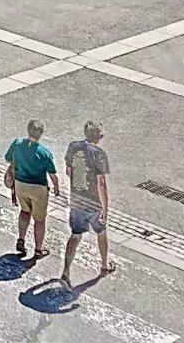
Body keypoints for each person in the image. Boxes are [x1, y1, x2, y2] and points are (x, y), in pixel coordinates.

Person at [62, 122, 113, 286]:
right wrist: (105, 209)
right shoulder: (99, 154)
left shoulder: (73, 147)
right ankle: (104, 265)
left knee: (75, 236)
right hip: (94, 203)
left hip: (77, 201)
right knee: (101, 233)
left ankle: (66, 272)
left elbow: (68, 171)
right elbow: (101, 184)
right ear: (97, 137)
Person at [5, 119, 63, 259]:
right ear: (41, 134)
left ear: (28, 129)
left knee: (25, 211)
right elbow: (52, 174)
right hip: (38, 189)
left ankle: (21, 239)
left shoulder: (17, 144)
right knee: (39, 219)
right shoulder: (44, 153)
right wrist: (56, 187)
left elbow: (7, 158)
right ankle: (38, 249)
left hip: (20, 185)